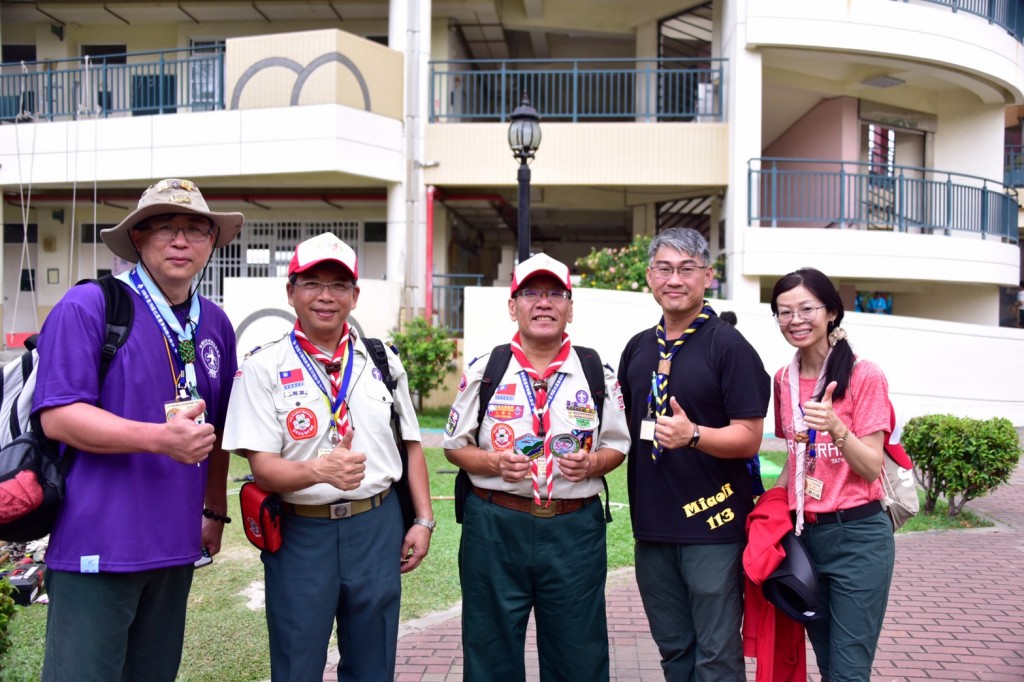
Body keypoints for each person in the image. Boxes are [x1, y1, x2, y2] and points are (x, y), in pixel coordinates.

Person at [32, 179, 243, 681]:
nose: (180, 240)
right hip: (98, 543)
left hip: (174, 545)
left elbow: (218, 431)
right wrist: (158, 438)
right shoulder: (90, 307)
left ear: (212, 243)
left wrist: (214, 509)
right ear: (139, 239)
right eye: (165, 228)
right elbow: (59, 416)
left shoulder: (214, 323)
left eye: (195, 229)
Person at [222, 232, 434, 681]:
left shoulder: (381, 361)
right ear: (290, 291)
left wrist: (423, 519)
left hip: (376, 527)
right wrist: (319, 469)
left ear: (355, 296)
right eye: (312, 283)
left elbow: (410, 443)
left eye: (339, 285)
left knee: (373, 664)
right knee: (297, 663)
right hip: (301, 532)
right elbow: (261, 467)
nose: (325, 296)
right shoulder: (262, 367)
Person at [443, 253, 630, 681]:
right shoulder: (485, 370)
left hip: (573, 530)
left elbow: (617, 448)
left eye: (554, 294)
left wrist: (591, 463)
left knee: (578, 655)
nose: (543, 303)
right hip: (495, 525)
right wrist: (492, 461)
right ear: (513, 306)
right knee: (490, 650)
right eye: (531, 293)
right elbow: (456, 447)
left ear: (569, 307)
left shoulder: (594, 371)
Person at [617, 227, 770, 681]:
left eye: (687, 269)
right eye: (664, 268)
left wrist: (695, 435)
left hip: (713, 526)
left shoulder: (729, 347)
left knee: (717, 655)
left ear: (708, 276)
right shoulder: (638, 348)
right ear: (649, 276)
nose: (675, 279)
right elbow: (623, 427)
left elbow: (749, 437)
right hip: (653, 527)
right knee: (674, 650)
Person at [769, 267, 896, 681]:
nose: (796, 320)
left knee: (848, 669)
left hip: (858, 536)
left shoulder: (864, 375)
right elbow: (796, 456)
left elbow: (872, 465)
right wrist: (768, 512)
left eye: (807, 309)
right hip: (805, 539)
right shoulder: (783, 380)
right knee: (826, 662)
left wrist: (836, 428)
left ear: (832, 313)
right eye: (784, 312)